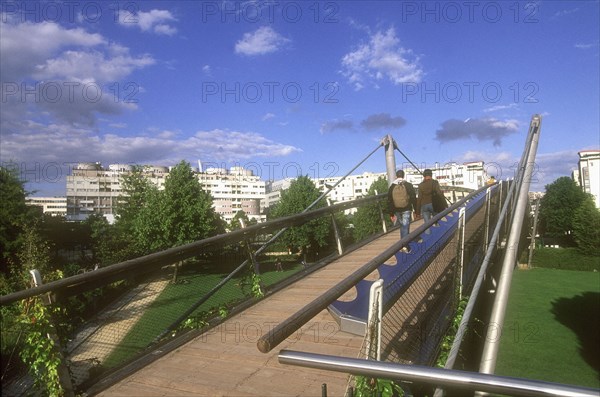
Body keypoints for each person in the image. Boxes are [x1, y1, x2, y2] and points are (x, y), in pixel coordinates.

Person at [387, 169, 417, 246]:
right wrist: (416, 210)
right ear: (403, 176)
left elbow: (389, 200)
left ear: (396, 176)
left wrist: (391, 214)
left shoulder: (392, 186)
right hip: (407, 208)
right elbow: (413, 197)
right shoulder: (408, 185)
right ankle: (405, 245)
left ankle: (402, 244)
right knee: (406, 227)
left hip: (397, 209)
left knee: (402, 226)